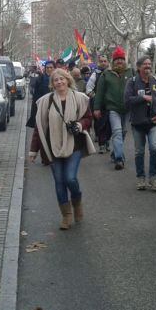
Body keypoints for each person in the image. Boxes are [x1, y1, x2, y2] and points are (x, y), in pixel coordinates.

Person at [29, 68, 95, 229]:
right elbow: (40, 127)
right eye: (55, 80)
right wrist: (33, 150)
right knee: (59, 181)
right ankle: (66, 216)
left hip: (75, 145)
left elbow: (88, 118)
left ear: (68, 80)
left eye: (62, 79)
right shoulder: (46, 102)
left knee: (70, 178)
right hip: (52, 147)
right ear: (52, 84)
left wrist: (80, 125)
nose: (59, 82)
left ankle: (77, 202)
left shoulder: (80, 98)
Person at [125, 56, 156, 191]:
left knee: (155, 149)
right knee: (139, 152)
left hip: (153, 123)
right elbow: (127, 101)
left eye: (149, 64)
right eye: (145, 64)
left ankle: (153, 178)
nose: (148, 66)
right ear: (138, 67)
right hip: (138, 123)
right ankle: (141, 179)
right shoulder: (132, 82)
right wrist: (142, 97)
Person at [93, 46, 129, 170]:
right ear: (113, 62)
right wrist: (96, 108)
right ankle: (119, 159)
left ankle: (115, 153)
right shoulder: (106, 74)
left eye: (121, 59)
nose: (119, 61)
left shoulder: (131, 73)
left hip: (128, 110)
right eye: (117, 59)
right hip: (113, 109)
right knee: (117, 132)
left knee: (123, 132)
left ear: (125, 61)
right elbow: (99, 93)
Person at [25, 60, 54, 129]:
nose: (49, 69)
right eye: (47, 68)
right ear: (45, 68)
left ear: (54, 68)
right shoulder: (40, 79)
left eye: (51, 67)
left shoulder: (58, 79)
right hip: (43, 108)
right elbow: (36, 97)